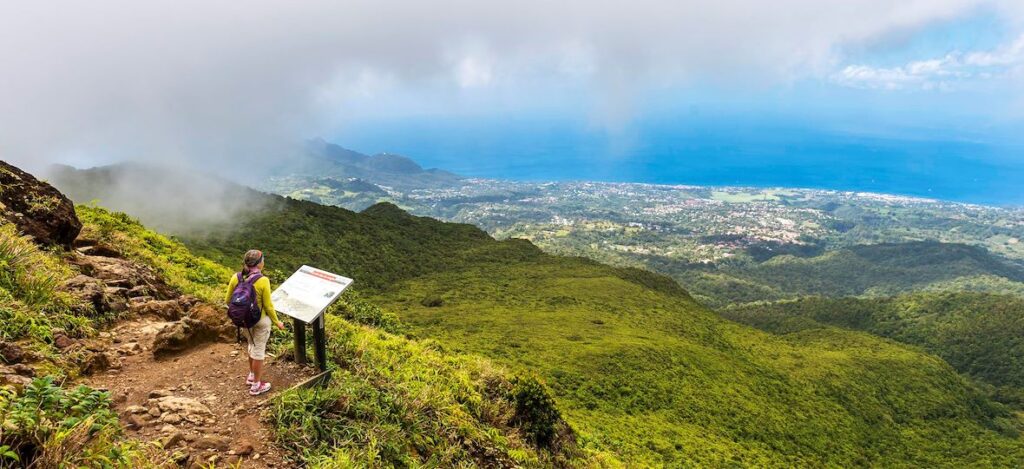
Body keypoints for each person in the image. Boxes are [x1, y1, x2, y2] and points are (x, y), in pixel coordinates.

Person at [225, 249, 285, 396]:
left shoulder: (236, 277)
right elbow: (268, 306)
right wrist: (277, 322)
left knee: (251, 346)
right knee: (259, 351)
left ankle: (252, 375)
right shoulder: (263, 280)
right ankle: (256, 386)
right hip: (260, 321)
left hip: (244, 320)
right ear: (260, 264)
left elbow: (228, 300)